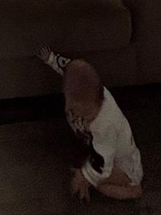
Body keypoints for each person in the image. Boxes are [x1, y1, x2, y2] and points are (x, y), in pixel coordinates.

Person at [37, 46, 143, 201]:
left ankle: (133, 189)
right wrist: (51, 59)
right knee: (91, 168)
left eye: (86, 113)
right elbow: (70, 71)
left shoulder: (105, 124)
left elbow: (103, 164)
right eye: (72, 108)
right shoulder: (81, 88)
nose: (79, 115)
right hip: (100, 149)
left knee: (100, 184)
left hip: (121, 167)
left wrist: (84, 176)